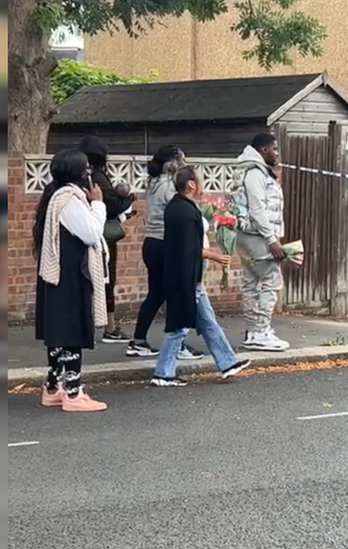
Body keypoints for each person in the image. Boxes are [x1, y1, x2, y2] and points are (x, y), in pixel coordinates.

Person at [151, 166, 252, 387]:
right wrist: (215, 255)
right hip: (185, 277)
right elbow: (188, 248)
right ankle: (163, 372)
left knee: (207, 322)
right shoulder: (185, 211)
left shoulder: (178, 207)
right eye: (199, 180)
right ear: (191, 184)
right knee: (179, 326)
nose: (201, 184)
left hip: (184, 275)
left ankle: (227, 362)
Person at [33, 149, 110, 412]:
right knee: (71, 331)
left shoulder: (54, 195)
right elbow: (90, 233)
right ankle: (73, 394)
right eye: (87, 169)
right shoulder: (69, 199)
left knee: (59, 332)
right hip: (69, 275)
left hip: (57, 274)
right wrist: (98, 204)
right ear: (79, 173)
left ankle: (53, 388)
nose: (91, 174)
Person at [127, 145, 204, 360]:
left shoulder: (153, 183)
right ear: (174, 164)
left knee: (156, 294)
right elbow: (182, 210)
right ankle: (177, 345)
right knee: (176, 293)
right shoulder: (170, 187)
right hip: (166, 243)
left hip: (152, 242)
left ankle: (139, 339)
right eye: (183, 160)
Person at [231, 133, 290, 351]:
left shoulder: (251, 170)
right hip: (256, 236)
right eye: (274, 149)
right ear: (264, 150)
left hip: (246, 234)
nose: (277, 153)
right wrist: (271, 239)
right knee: (272, 280)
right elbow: (258, 209)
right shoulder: (255, 173)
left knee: (251, 282)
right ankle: (261, 330)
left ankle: (253, 330)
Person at [78, 136, 135, 344]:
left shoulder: (79, 174)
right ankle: (109, 327)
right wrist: (129, 199)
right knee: (106, 280)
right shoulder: (99, 177)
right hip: (102, 235)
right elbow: (111, 205)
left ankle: (83, 324)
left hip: (80, 231)